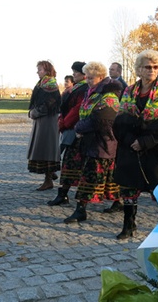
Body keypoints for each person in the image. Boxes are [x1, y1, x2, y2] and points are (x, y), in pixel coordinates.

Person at [113, 50, 158, 239]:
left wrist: (144, 142)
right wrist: (130, 141)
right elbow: (120, 121)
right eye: (147, 67)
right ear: (139, 70)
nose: (152, 70)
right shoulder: (129, 91)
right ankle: (129, 225)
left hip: (156, 148)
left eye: (156, 67)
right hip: (130, 147)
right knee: (128, 187)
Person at [63, 62, 121, 224]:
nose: (87, 80)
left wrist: (79, 127)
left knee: (90, 177)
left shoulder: (109, 96)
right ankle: (118, 202)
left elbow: (100, 120)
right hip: (94, 142)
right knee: (108, 177)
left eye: (91, 77)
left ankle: (80, 209)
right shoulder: (92, 92)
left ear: (101, 77)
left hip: (103, 142)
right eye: (86, 77)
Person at [47, 61, 88, 206]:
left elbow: (77, 110)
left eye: (76, 72)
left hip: (77, 131)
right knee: (70, 164)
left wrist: (64, 123)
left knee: (74, 164)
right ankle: (63, 194)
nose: (74, 74)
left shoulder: (83, 89)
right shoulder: (77, 88)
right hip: (71, 129)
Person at [27, 60, 61, 191]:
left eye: (40, 69)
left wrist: (35, 113)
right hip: (43, 121)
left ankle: (48, 179)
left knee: (46, 149)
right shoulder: (43, 83)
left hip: (47, 121)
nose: (37, 72)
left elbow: (49, 103)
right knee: (43, 148)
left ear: (47, 71)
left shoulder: (50, 84)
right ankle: (49, 175)